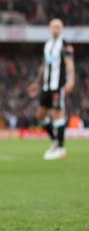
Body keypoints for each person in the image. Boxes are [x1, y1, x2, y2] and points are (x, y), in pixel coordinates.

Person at [28, 18, 75, 160]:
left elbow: (69, 64)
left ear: (62, 29)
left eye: (58, 27)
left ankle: (60, 148)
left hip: (57, 86)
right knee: (40, 115)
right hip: (46, 86)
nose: (56, 29)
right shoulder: (47, 45)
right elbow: (43, 65)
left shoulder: (65, 45)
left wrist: (70, 81)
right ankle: (55, 140)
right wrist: (37, 82)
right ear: (49, 28)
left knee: (57, 114)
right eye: (53, 27)